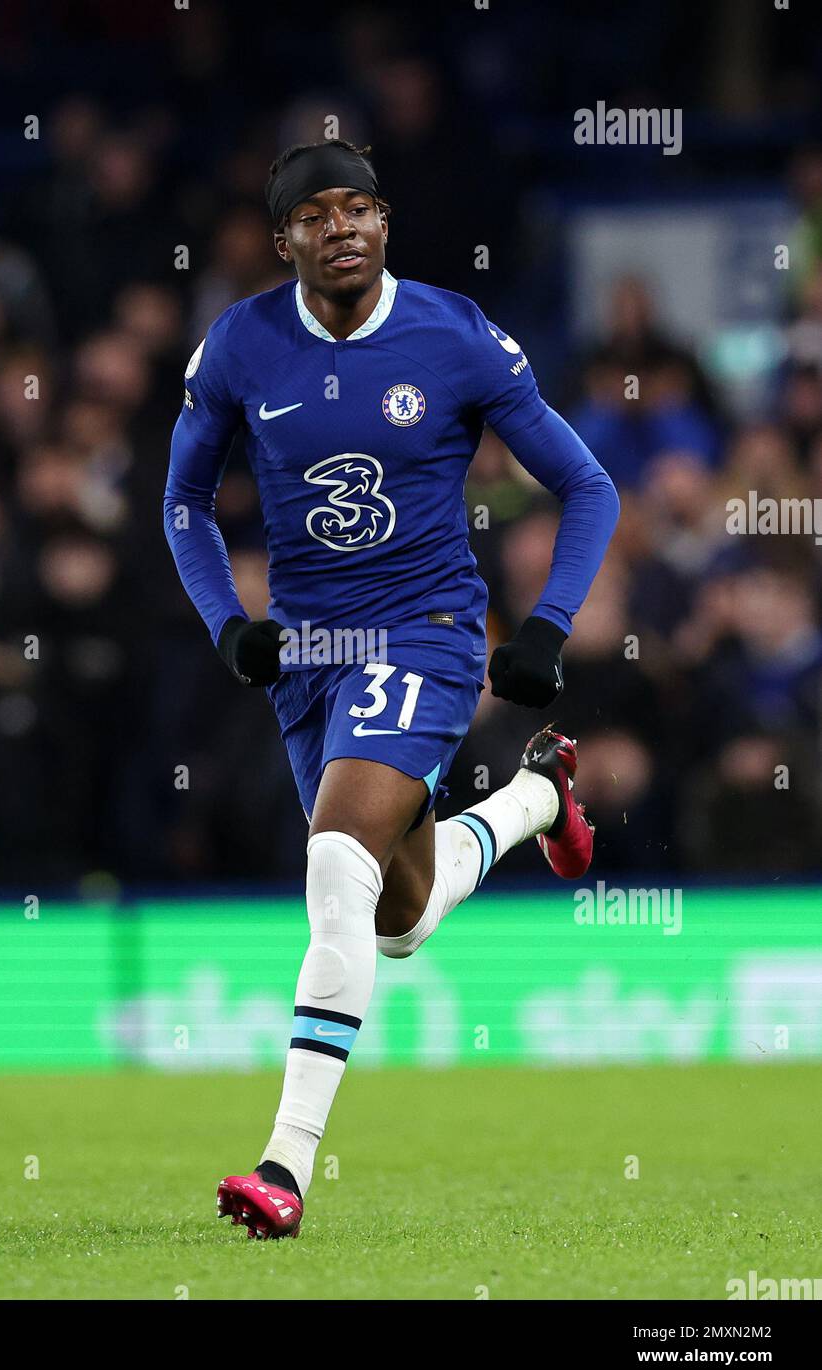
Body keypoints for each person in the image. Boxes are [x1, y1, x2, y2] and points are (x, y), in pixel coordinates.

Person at [164, 140, 619, 1239]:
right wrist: (229, 623)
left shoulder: (455, 335)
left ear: (385, 222)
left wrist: (547, 627)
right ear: (284, 244)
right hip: (311, 662)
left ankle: (284, 1167)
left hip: (427, 634)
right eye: (315, 215)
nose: (342, 227)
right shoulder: (240, 344)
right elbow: (182, 500)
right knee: (399, 921)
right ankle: (534, 801)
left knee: (333, 867)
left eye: (358, 207)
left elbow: (586, 484)